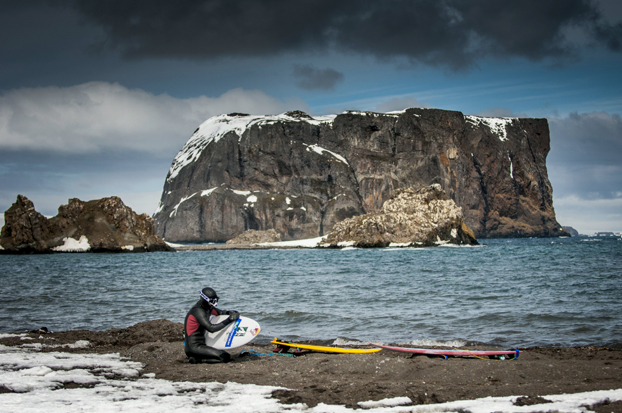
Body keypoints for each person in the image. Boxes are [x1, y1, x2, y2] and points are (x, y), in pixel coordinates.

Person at [183, 287, 240, 363]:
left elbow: (221, 313)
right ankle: (196, 360)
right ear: (204, 300)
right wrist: (229, 320)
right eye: (212, 301)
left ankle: (197, 358)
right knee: (224, 357)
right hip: (194, 347)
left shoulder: (207, 308)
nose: (213, 304)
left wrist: (232, 313)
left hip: (202, 344)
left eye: (215, 301)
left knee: (225, 355)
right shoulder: (198, 311)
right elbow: (211, 328)